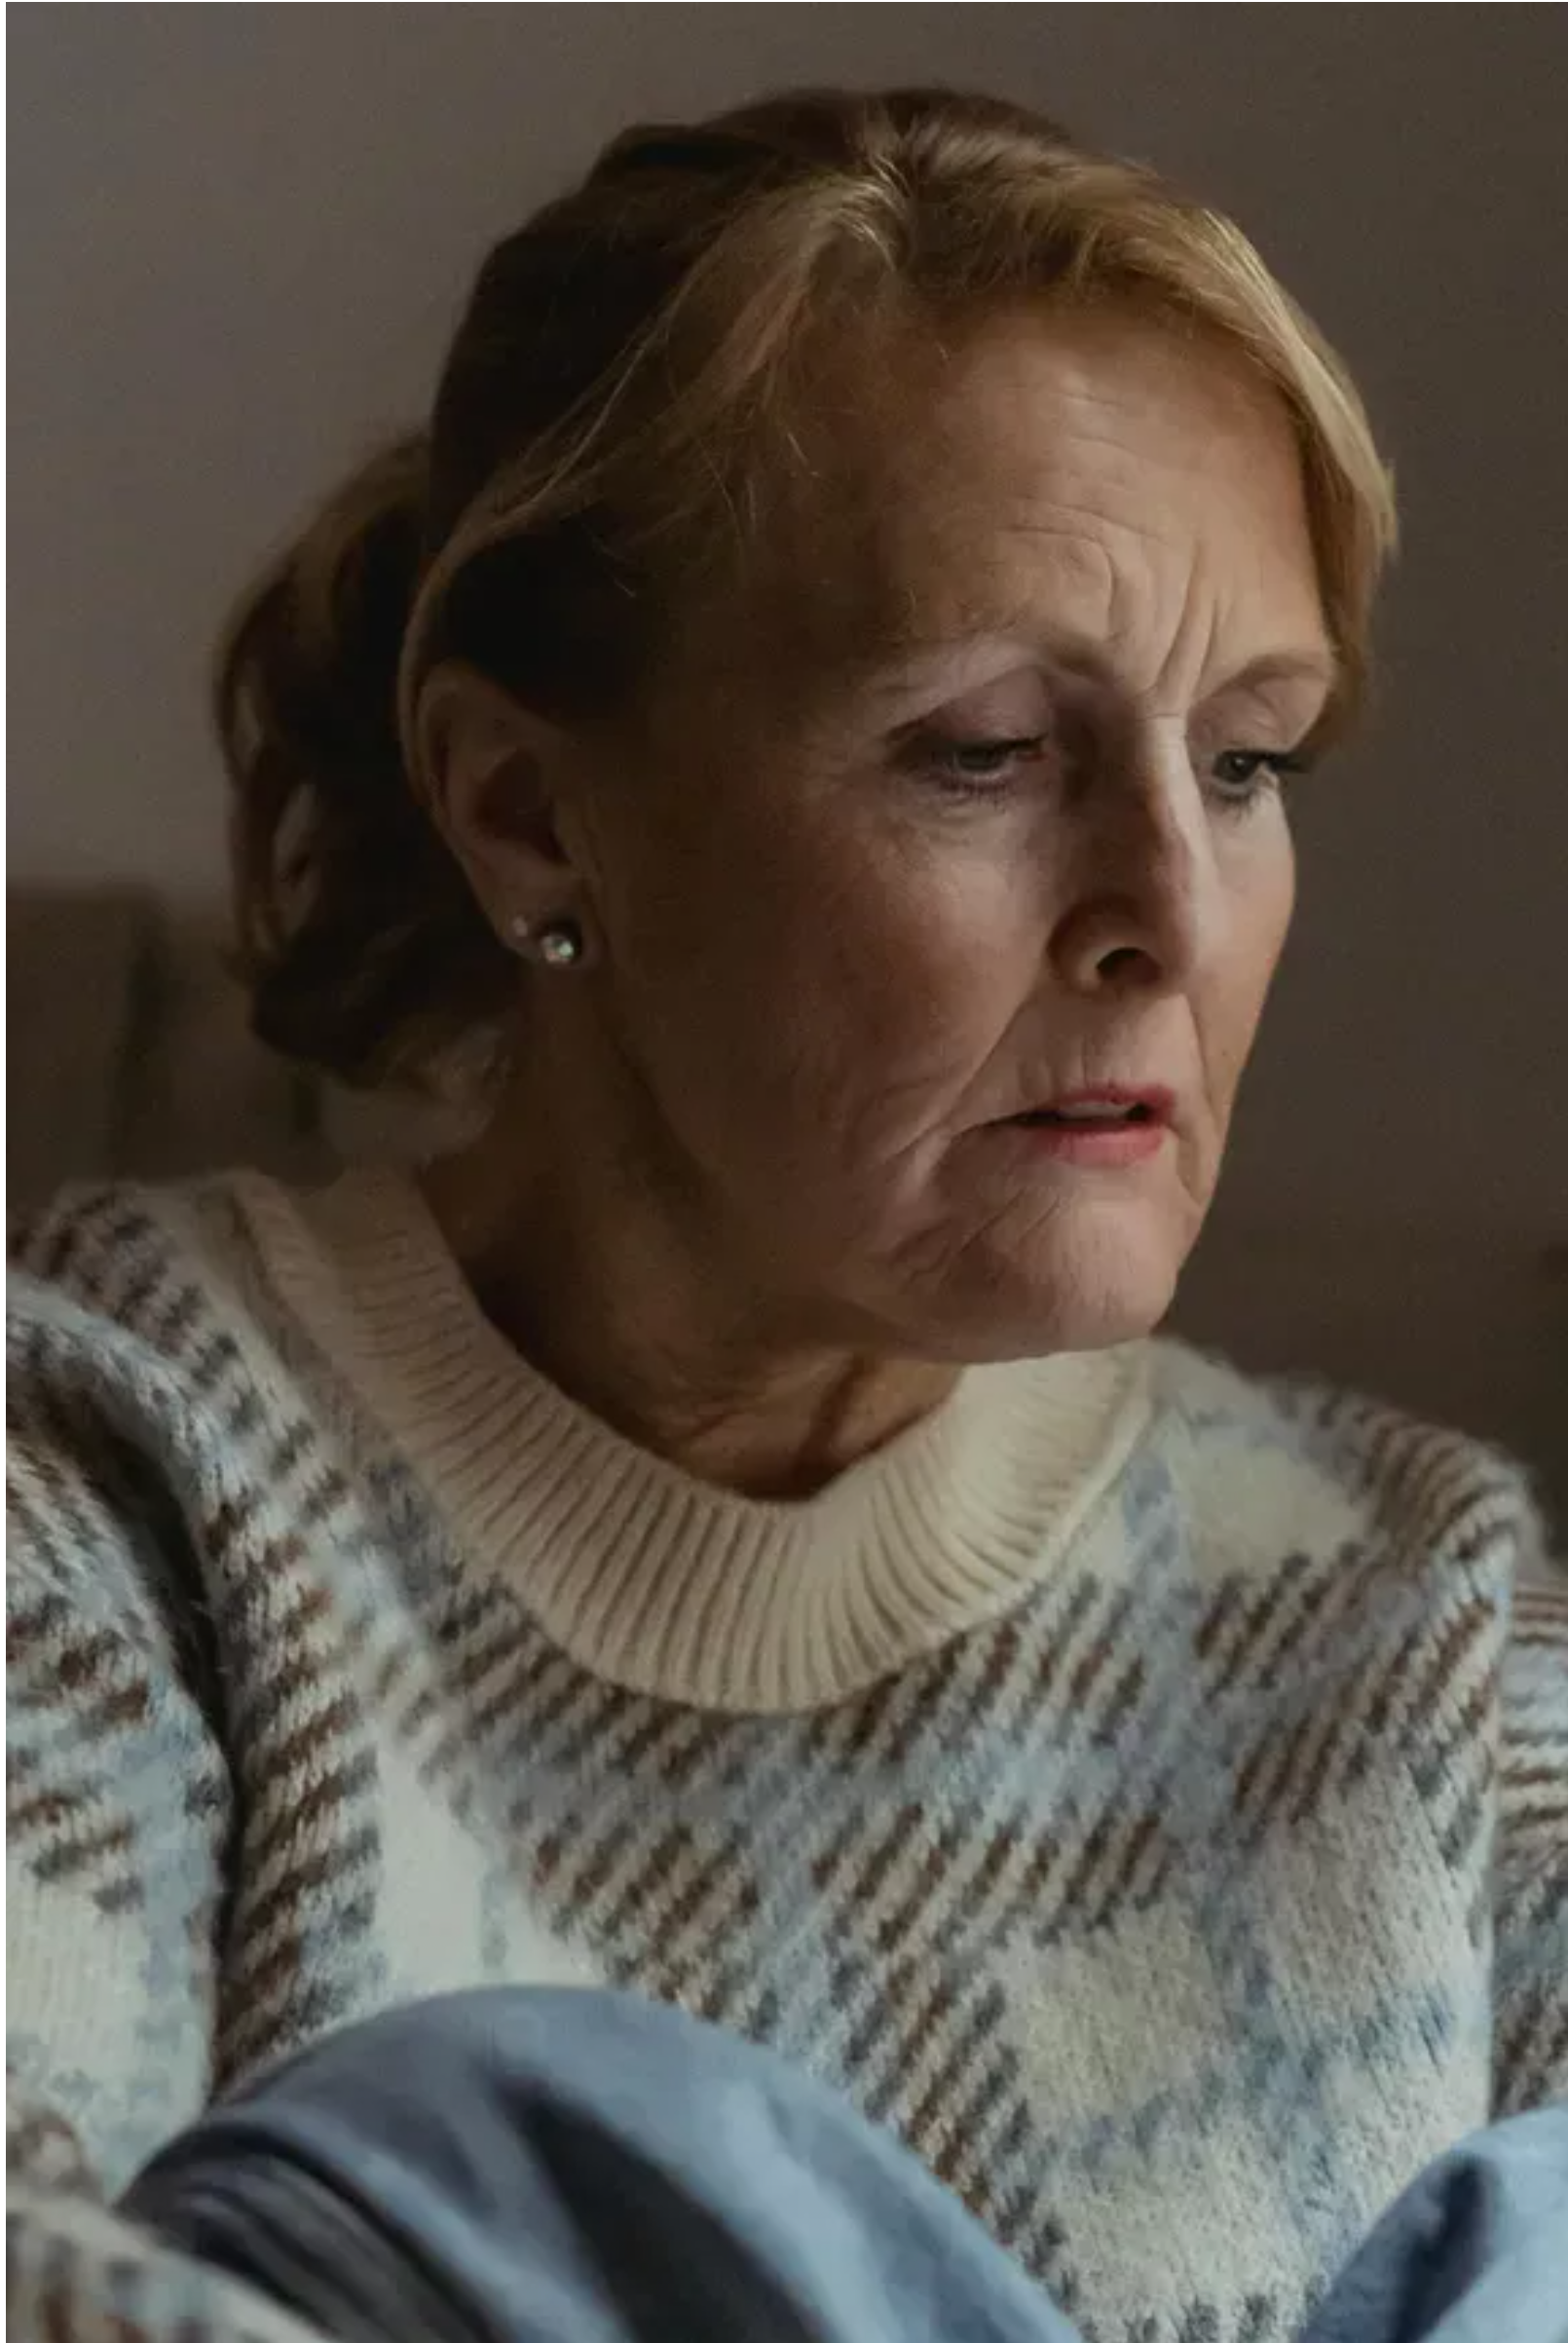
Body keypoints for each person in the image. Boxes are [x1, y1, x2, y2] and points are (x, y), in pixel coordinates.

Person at [7, 84, 1565, 2343]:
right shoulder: (112, 1482)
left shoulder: (1426, 1619)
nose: (1169, 907)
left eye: (1246, 757)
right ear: (528, 814)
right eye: (985, 751)